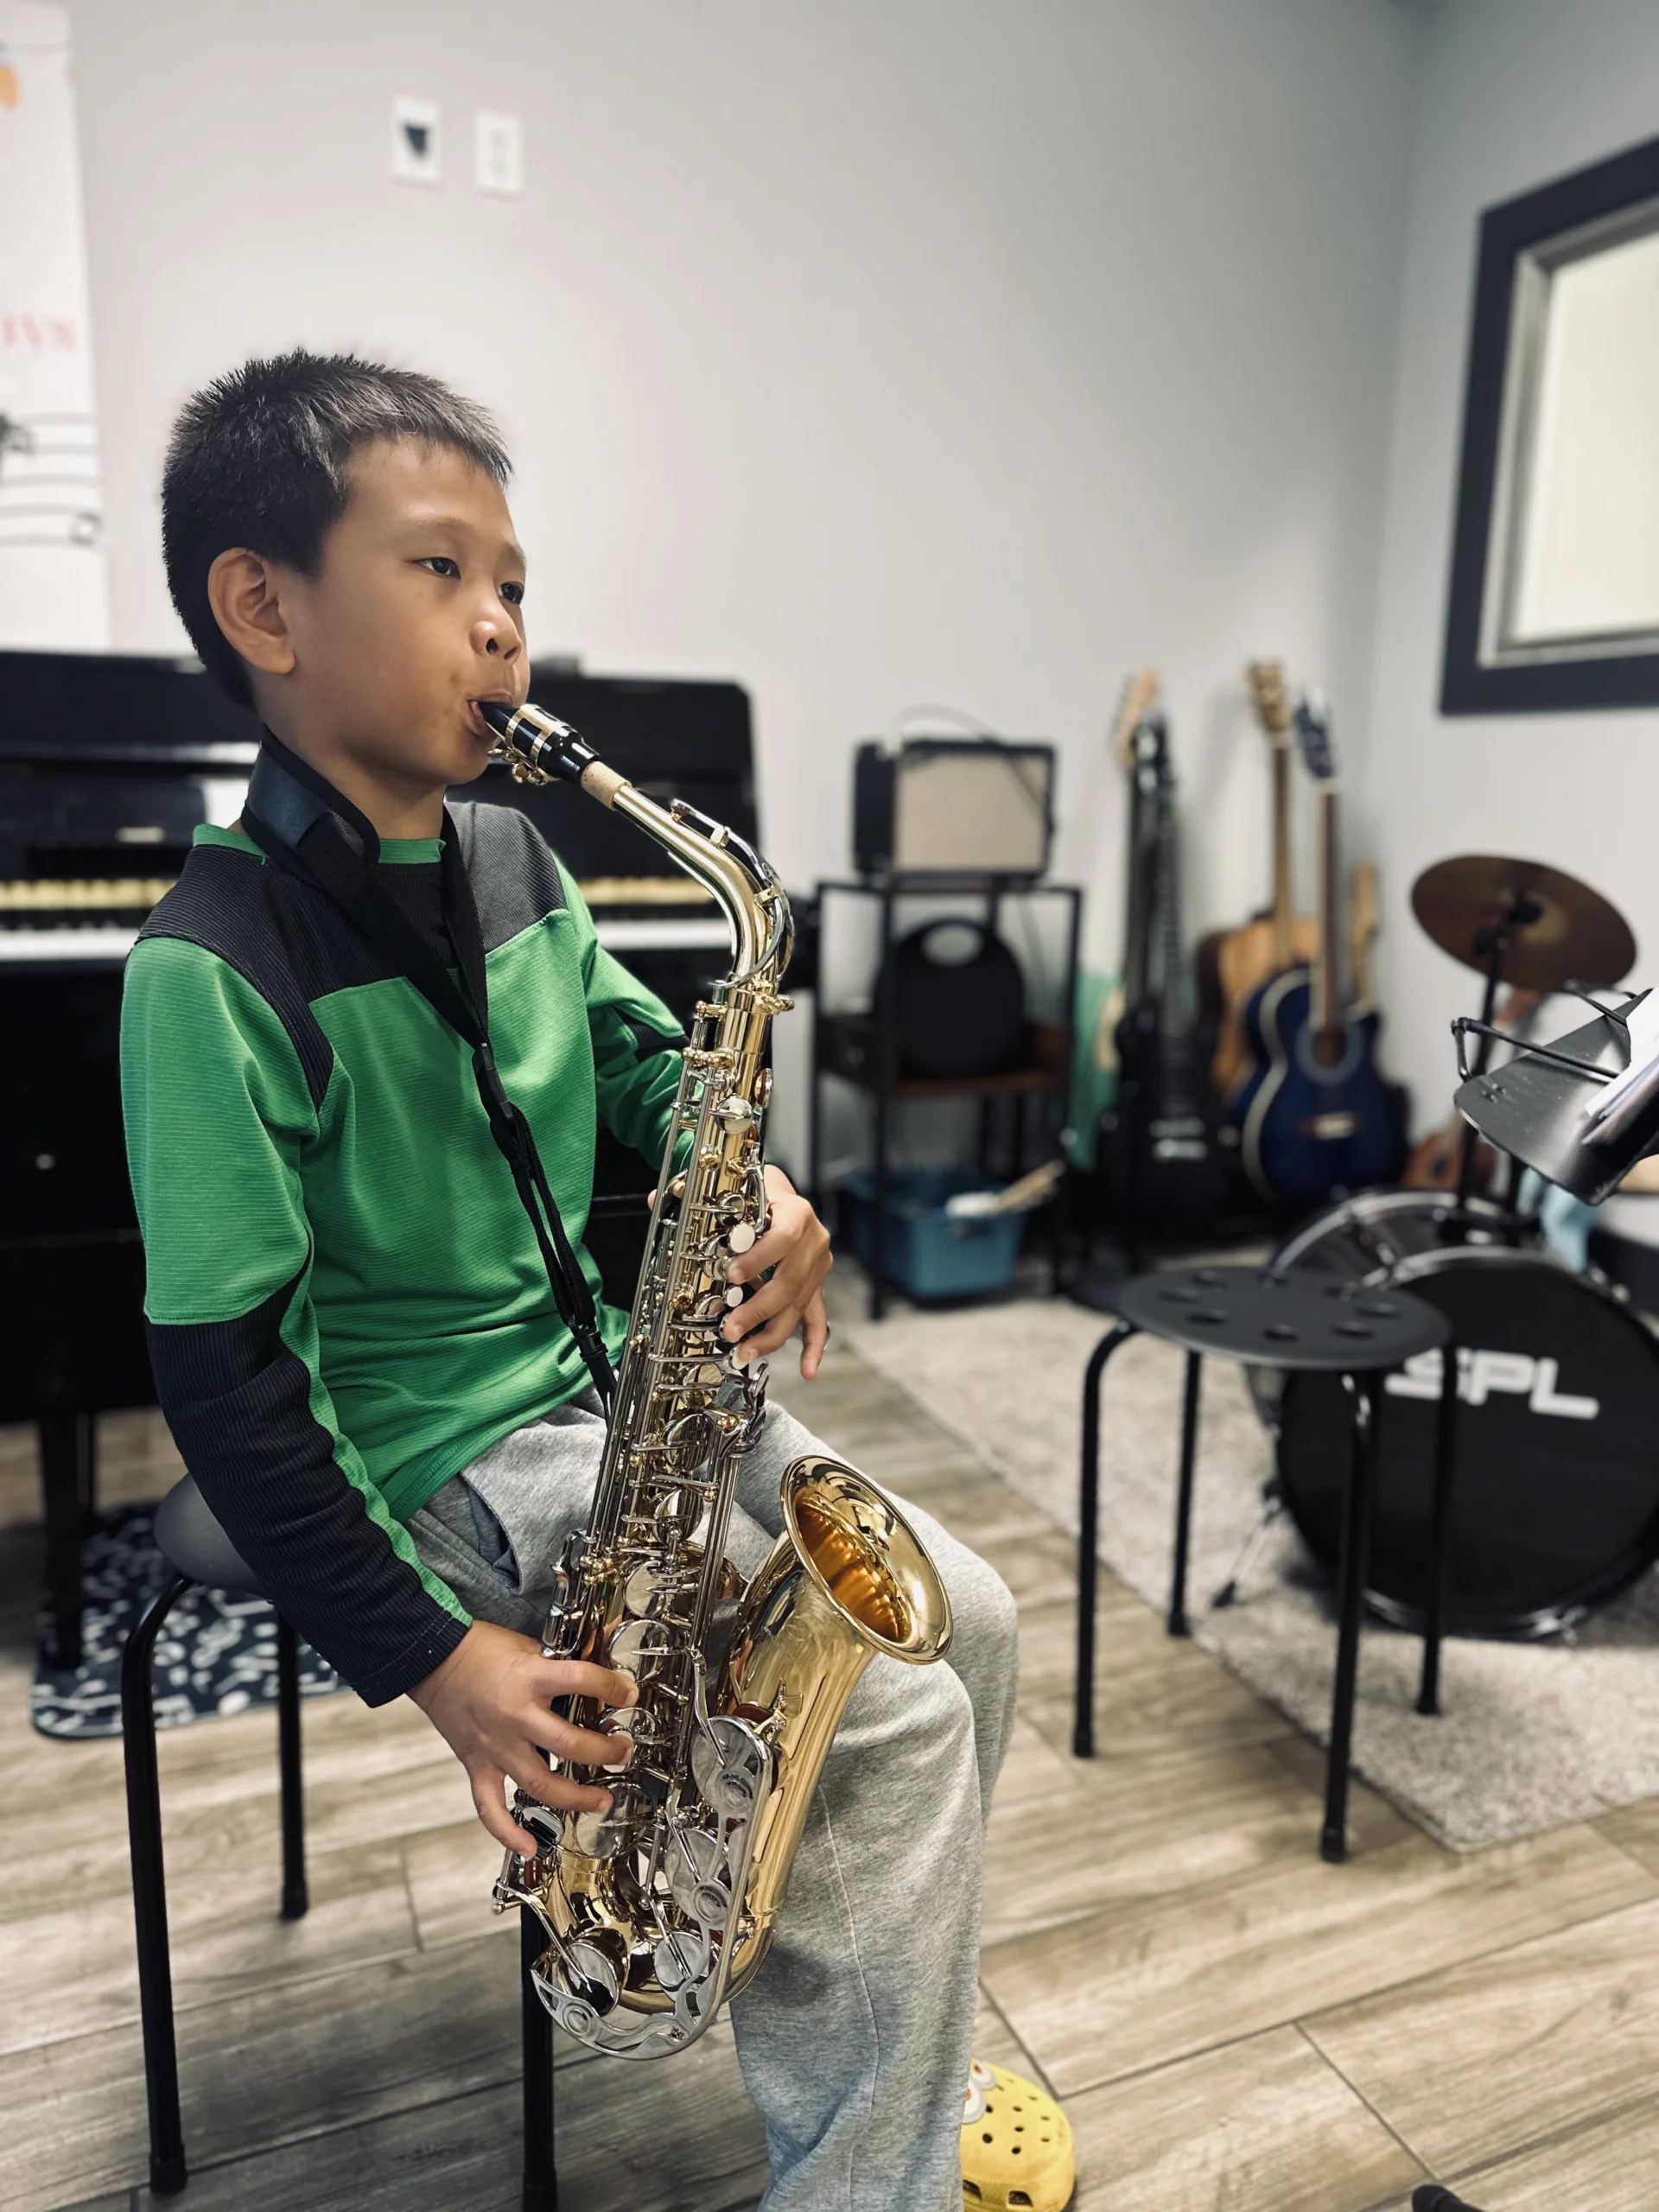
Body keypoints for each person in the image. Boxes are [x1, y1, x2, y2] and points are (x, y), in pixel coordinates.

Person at [121, 349, 1074, 2212]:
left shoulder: (513, 858)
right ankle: (862, 2170)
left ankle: (879, 2042)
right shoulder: (210, 966)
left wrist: (773, 1188)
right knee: (875, 1723)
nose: (503, 630)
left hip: (626, 1388)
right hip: (439, 1448)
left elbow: (651, 1069)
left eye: (517, 586)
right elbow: (229, 1388)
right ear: (266, 608)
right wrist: (440, 1663)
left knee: (970, 1624)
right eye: (442, 574)